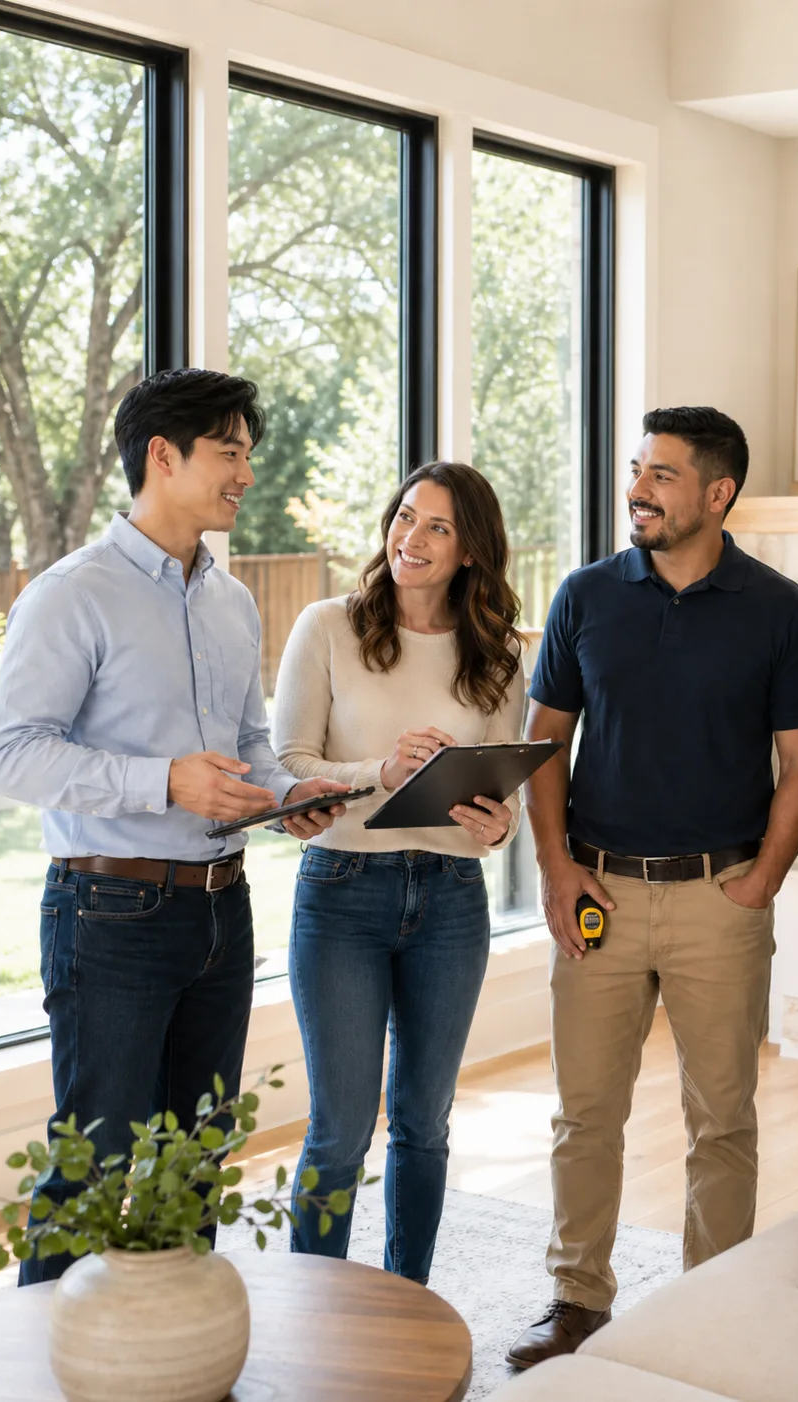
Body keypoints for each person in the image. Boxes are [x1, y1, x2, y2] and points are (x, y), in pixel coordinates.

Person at [0, 368, 347, 1284]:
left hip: (223, 913)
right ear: (162, 456)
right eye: (230, 454)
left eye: (247, 456)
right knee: (93, 1170)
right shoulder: (74, 594)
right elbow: (14, 755)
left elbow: (250, 748)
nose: (246, 476)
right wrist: (167, 783)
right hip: (108, 912)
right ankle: (53, 1367)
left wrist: (288, 801)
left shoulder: (228, 598)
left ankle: (179, 1359)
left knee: (196, 1161)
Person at [507, 406, 798, 1369]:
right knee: (585, 1111)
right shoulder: (584, 596)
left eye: (661, 474)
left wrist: (763, 879)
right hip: (597, 889)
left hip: (717, 896)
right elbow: (542, 742)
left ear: (718, 493)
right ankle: (575, 1299)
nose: (638, 490)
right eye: (636, 470)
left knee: (721, 1118)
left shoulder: (777, 610)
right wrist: (557, 868)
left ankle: (711, 1301)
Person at [273, 461, 526, 1283]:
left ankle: (405, 1302)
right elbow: (291, 765)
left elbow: (500, 800)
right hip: (343, 890)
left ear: (471, 553)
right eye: (406, 517)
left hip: (452, 898)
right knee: (340, 1130)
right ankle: (311, 1311)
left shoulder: (494, 657)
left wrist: (498, 823)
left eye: (438, 527)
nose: (410, 538)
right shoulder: (328, 627)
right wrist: (379, 770)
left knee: (424, 1123)